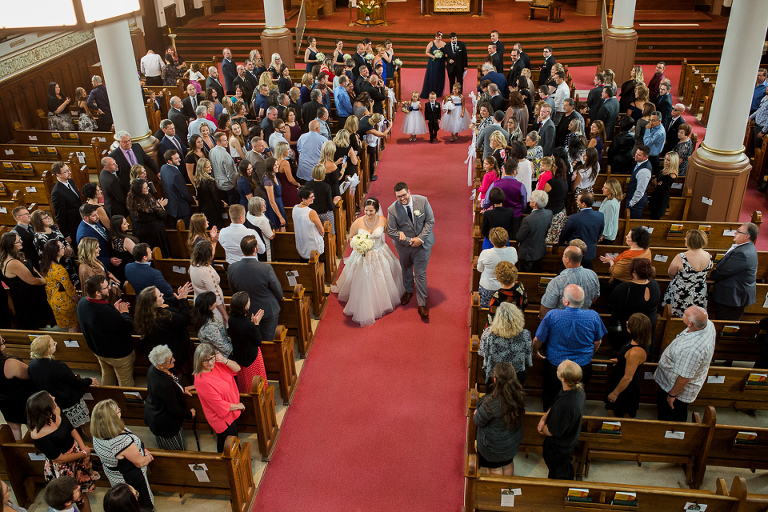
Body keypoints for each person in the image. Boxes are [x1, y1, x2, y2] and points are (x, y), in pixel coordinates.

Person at [331, 197, 404, 327]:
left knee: (382, 277)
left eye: (371, 211)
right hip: (362, 254)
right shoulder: (358, 222)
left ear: (377, 210)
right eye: (366, 210)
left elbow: (389, 232)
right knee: (363, 280)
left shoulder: (382, 220)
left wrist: (401, 234)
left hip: (379, 252)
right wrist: (357, 245)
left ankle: (381, 301)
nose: (368, 213)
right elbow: (351, 237)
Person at [534, 284, 606, 412]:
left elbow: (538, 339)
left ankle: (549, 422)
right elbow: (598, 342)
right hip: (582, 365)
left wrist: (535, 351)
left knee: (551, 395)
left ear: (565, 301)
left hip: (556, 365)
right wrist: (589, 354)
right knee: (576, 398)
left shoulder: (552, 315)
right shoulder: (593, 316)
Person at [26, 391, 98, 511]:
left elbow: (70, 428)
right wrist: (83, 453)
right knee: (73, 495)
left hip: (76, 452)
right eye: (50, 398)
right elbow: (58, 458)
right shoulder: (37, 434)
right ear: (45, 407)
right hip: (62, 466)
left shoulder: (56, 411)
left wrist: (83, 447)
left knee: (82, 492)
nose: (54, 397)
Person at [654, 306, 715, 421]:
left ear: (690, 323)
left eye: (685, 314)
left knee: (672, 413)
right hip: (671, 380)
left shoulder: (692, 349)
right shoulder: (707, 324)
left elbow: (685, 377)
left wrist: (672, 395)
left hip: (676, 388)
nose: (684, 313)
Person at [90, 400, 154, 510]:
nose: (120, 411)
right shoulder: (121, 442)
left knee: (123, 504)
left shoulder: (98, 433)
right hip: (131, 478)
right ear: (111, 419)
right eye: (117, 411)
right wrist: (148, 457)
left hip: (114, 474)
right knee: (139, 503)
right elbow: (140, 463)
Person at [387, 183, 435, 318]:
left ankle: (421, 303)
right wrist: (409, 240)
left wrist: (420, 239)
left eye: (404, 195)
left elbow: (430, 221)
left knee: (420, 273)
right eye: (398, 197)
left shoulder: (422, 201)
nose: (402, 198)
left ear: (409, 192)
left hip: (422, 245)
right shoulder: (392, 209)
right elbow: (391, 231)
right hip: (404, 246)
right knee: (406, 268)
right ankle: (408, 290)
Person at [77, 275, 135, 387]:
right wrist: (124, 313)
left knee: (107, 377)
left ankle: (107, 400)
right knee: (125, 383)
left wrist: (113, 310)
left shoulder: (82, 303)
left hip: (99, 351)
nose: (109, 288)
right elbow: (128, 327)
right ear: (97, 293)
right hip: (118, 355)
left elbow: (103, 323)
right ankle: (129, 404)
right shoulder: (105, 312)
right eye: (105, 287)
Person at [473, 361, 525, 476]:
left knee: (494, 469)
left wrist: (477, 413)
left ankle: (497, 491)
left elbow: (478, 421)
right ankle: (506, 489)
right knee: (507, 464)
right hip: (511, 442)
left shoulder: (490, 403)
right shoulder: (518, 395)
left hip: (493, 445)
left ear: (495, 380)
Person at [227, 235, 283, 340]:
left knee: (251, 340)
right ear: (255, 249)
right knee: (267, 340)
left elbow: (234, 291)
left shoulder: (232, 268)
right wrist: (281, 298)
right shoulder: (266, 268)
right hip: (267, 309)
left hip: (246, 310)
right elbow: (276, 287)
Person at [537, 360, 585, 480]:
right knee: (564, 466)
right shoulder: (574, 388)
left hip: (559, 446)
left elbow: (552, 431)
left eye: (558, 369)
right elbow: (554, 404)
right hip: (567, 440)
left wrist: (542, 427)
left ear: (562, 378)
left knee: (558, 473)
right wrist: (544, 418)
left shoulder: (566, 405)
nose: (556, 369)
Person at [134, 284, 195, 378]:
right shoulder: (162, 318)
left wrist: (178, 296)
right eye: (159, 295)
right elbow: (186, 319)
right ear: (153, 303)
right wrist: (182, 300)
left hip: (170, 345)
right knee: (176, 375)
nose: (162, 294)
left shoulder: (148, 310)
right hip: (174, 350)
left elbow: (168, 300)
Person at [193, 343, 244, 452]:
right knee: (230, 446)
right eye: (205, 360)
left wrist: (224, 360)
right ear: (199, 361)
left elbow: (237, 368)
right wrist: (238, 406)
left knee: (231, 442)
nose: (210, 362)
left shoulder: (217, 364)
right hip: (222, 418)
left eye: (212, 358)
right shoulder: (202, 380)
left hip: (231, 411)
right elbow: (219, 406)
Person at [144, 345, 195, 450]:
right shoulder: (163, 384)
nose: (174, 360)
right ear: (160, 365)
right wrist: (189, 414)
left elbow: (172, 383)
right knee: (175, 448)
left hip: (158, 410)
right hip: (164, 422)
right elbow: (174, 409)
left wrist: (181, 389)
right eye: (170, 360)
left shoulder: (154, 368)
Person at [0, 231, 53, 330]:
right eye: (18, 241)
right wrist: (46, 281)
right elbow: (32, 281)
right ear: (10, 244)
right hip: (25, 299)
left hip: (30, 293)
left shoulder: (16, 255)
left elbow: (31, 268)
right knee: (32, 324)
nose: (21, 241)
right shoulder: (12, 262)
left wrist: (41, 278)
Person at [605, 313, 652, 418]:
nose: (627, 322)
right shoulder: (636, 340)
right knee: (612, 408)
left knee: (619, 411)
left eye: (630, 322)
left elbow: (627, 378)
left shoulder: (635, 352)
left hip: (625, 386)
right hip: (620, 377)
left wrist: (615, 393)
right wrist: (621, 360)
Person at [608, 258, 659, 351]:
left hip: (630, 327)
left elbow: (612, 304)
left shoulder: (623, 288)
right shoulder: (654, 284)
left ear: (634, 272)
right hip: (649, 325)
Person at [710, 222, 759, 320]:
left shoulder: (742, 253)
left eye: (738, 231)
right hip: (735, 295)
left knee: (724, 324)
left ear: (746, 236)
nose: (735, 233)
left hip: (732, 297)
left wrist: (712, 273)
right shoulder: (748, 248)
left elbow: (724, 271)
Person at [663, 229, 712, 318]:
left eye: (687, 238)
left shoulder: (681, 257)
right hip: (699, 292)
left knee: (676, 317)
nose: (685, 238)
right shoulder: (708, 255)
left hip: (682, 293)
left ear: (690, 241)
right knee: (695, 318)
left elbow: (671, 273)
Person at [479, 303, 532, 385]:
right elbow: (528, 356)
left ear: (497, 318)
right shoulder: (525, 335)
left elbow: (482, 353)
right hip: (516, 376)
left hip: (494, 376)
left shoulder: (488, 334)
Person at [227, 291, 267, 392]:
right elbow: (258, 341)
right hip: (251, 358)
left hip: (239, 356)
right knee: (256, 384)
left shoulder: (231, 319)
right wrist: (256, 324)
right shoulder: (248, 325)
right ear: (245, 306)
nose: (250, 301)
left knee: (244, 383)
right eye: (248, 300)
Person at [0, 334, 36, 441]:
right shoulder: (9, 364)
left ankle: (21, 453)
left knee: (14, 428)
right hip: (22, 400)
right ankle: (35, 450)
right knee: (33, 426)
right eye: (2, 340)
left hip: (4, 402)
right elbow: (30, 374)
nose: (3, 340)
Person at [126, 179, 171, 258]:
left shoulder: (130, 198)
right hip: (152, 230)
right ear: (139, 190)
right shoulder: (148, 199)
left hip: (138, 229)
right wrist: (161, 206)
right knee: (157, 251)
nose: (148, 189)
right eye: (145, 188)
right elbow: (163, 215)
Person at [40, 240, 79, 332]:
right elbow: (69, 290)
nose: (64, 249)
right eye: (62, 247)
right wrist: (79, 300)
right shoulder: (59, 270)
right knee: (74, 328)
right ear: (56, 252)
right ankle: (73, 345)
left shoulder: (46, 266)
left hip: (54, 300)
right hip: (65, 302)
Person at [559, 193, 604, 269]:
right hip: (590, 251)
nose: (577, 202)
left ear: (583, 204)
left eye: (578, 201)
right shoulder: (600, 216)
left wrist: (560, 243)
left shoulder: (573, 218)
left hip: (574, 254)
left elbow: (565, 233)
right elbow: (599, 233)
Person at [477, 228, 518, 307]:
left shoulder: (486, 253)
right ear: (506, 240)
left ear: (491, 241)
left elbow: (479, 269)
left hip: (488, 287)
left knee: (487, 308)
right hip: (507, 286)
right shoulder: (513, 251)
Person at [190, 240, 228, 324]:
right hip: (212, 308)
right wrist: (224, 313)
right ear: (207, 254)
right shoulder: (206, 272)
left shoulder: (193, 265)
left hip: (200, 303)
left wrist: (214, 242)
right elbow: (215, 295)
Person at [516, 190, 552, 272]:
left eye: (531, 198)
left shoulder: (528, 220)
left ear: (534, 204)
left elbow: (519, 237)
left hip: (527, 254)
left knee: (526, 278)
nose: (530, 200)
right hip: (540, 251)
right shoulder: (549, 213)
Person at [293, 187, 325, 262]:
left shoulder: (295, 208)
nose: (313, 198)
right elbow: (321, 230)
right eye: (311, 197)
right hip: (313, 245)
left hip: (302, 243)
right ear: (304, 199)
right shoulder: (311, 212)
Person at [543, 157, 568, 244]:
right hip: (561, 212)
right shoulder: (565, 181)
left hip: (552, 214)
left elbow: (542, 197)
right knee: (557, 239)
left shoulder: (551, 182)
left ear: (556, 167)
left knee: (549, 240)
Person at [648, 152, 679, 220]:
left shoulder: (672, 174)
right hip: (655, 195)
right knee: (651, 216)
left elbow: (660, 187)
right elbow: (654, 179)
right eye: (665, 159)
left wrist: (657, 184)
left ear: (673, 162)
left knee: (655, 218)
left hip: (661, 198)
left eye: (668, 160)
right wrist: (656, 183)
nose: (665, 161)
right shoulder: (664, 169)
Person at [626, 145, 653, 219]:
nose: (636, 156)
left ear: (645, 157)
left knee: (633, 223)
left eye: (639, 155)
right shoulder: (639, 163)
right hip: (632, 198)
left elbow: (640, 190)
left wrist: (631, 203)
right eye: (636, 153)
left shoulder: (644, 171)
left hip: (636, 202)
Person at [420, 31, 446, 99]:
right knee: (432, 75)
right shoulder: (431, 43)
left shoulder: (444, 44)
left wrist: (443, 55)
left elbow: (446, 53)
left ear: (441, 37)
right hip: (433, 62)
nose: (438, 38)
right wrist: (433, 56)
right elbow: (427, 52)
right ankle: (430, 90)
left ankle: (438, 91)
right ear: (435, 37)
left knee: (439, 75)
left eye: (439, 37)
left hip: (441, 62)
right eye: (437, 37)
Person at [598, 179, 622, 243]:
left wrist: (602, 234)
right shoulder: (607, 198)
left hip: (607, 235)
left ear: (612, 190)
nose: (602, 189)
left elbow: (608, 221)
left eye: (605, 188)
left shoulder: (610, 203)